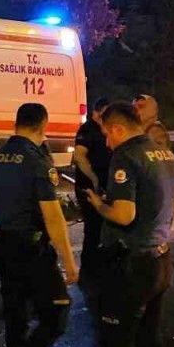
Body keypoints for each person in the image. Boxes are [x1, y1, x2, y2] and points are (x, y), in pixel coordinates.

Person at [75, 102, 174, 347]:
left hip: (131, 266)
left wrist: (98, 205)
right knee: (150, 346)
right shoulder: (165, 154)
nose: (106, 140)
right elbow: (172, 207)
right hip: (160, 260)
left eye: (107, 133)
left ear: (118, 129)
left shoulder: (126, 156)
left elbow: (124, 213)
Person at [0, 102, 79, 347]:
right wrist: (69, 261)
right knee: (57, 314)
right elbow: (53, 217)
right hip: (32, 251)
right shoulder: (37, 162)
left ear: (17, 123)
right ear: (43, 126)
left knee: (17, 319)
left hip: (4, 247)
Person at [73, 98, 113, 305]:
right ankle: (87, 276)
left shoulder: (107, 129)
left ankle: (101, 273)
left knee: (104, 230)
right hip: (88, 188)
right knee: (93, 230)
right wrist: (94, 179)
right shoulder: (87, 129)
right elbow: (80, 156)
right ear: (97, 113)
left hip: (105, 187)